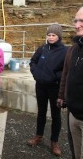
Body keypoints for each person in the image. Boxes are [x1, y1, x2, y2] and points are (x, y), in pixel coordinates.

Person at [27, 24, 67, 156]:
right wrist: (36, 74)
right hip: (41, 86)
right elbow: (33, 62)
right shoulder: (42, 48)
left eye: (53, 35)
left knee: (56, 115)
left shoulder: (64, 51)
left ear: (59, 36)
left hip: (55, 88)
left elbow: (66, 70)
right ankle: (39, 136)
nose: (50, 37)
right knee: (41, 112)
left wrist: (56, 77)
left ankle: (54, 142)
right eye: (49, 35)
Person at [57, 5, 83, 159]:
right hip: (73, 114)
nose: (77, 25)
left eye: (82, 21)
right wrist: (62, 96)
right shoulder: (74, 49)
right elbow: (66, 75)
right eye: (75, 21)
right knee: (76, 153)